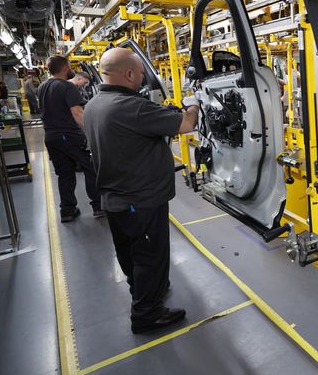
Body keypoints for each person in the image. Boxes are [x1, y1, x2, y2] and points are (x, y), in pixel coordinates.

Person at [83, 48, 199, 334]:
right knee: (151, 255)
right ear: (130, 74)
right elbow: (186, 124)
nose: (144, 76)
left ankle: (144, 291)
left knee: (130, 252)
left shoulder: (94, 105)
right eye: (141, 72)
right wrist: (193, 103)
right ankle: (147, 315)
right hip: (141, 200)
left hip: (115, 198)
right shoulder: (131, 107)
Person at [38, 56, 102, 222]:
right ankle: (98, 206)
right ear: (65, 67)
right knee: (91, 168)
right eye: (69, 65)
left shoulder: (42, 86)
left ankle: (67, 211)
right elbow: (77, 113)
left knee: (65, 174)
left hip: (50, 137)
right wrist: (90, 135)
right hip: (68, 135)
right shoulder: (67, 86)